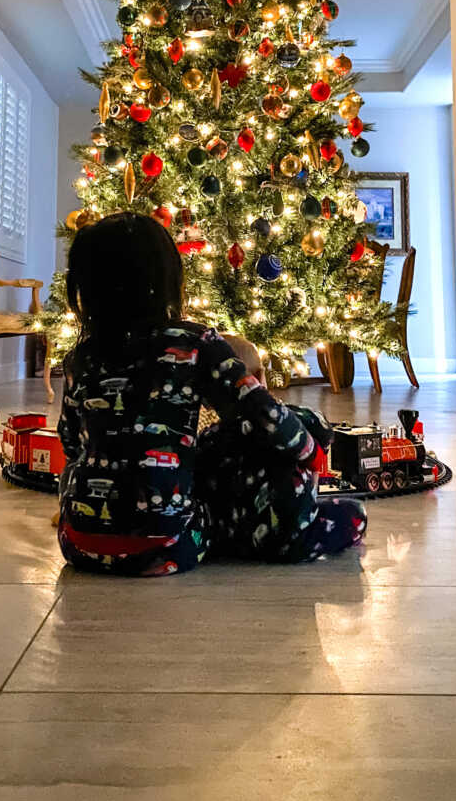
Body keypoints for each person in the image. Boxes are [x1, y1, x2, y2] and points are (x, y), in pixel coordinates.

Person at [57, 212, 366, 577]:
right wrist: (311, 450)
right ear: (166, 279)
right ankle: (295, 527)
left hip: (77, 544)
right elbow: (263, 414)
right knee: (316, 457)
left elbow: (71, 444)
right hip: (171, 545)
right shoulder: (194, 343)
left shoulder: (81, 358)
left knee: (212, 445)